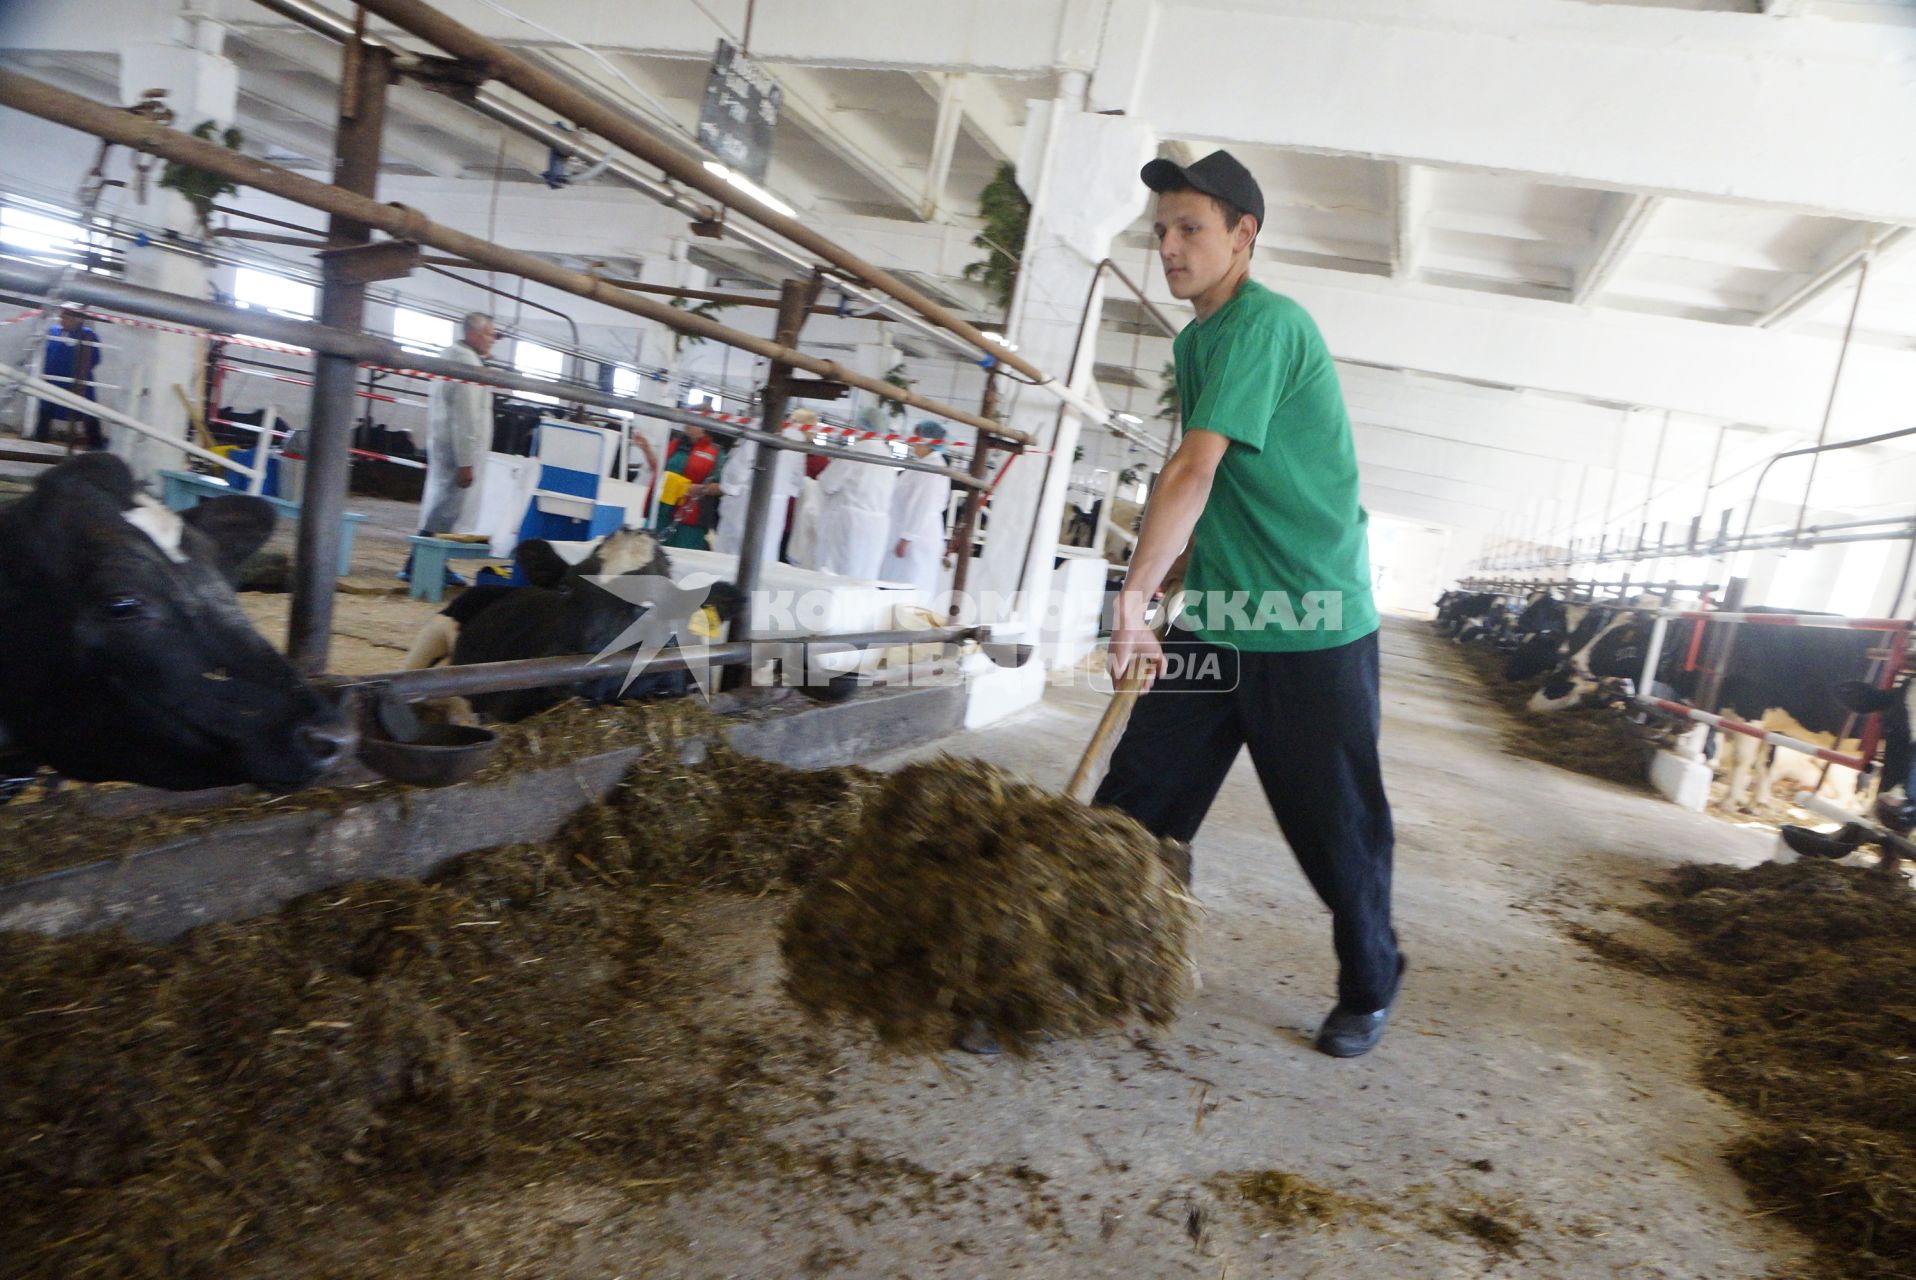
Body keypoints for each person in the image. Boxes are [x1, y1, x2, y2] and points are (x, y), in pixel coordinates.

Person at [1096, 150, 1399, 1059]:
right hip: (1220, 617)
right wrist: (1175, 578)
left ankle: (1371, 984)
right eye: (1160, 231)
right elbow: (1212, 487)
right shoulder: (1197, 341)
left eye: (1191, 228)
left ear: (1244, 235)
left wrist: (1133, 599)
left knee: (1334, 828)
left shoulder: (1266, 326)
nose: (1170, 247)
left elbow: (1193, 466)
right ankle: (1078, 967)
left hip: (1310, 625)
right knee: (1133, 810)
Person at [406, 312, 496, 585]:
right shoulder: (465, 363)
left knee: (442, 508)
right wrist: (466, 461)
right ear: (473, 333)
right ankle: (420, 564)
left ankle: (430, 563)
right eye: (489, 334)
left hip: (450, 448)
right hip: (459, 452)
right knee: (445, 511)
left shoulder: (456, 356)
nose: (492, 340)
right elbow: (465, 416)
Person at [813, 408, 898, 580]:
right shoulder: (888, 456)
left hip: (850, 524)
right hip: (877, 527)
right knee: (864, 578)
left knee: (837, 576)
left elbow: (828, 483)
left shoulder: (856, 451)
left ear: (862, 427)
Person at [713, 414, 805, 566]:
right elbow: (797, 477)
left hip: (748, 498)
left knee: (734, 553)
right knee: (766, 553)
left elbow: (741, 465)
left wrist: (729, 486)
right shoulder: (797, 435)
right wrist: (787, 491)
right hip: (777, 505)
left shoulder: (758, 427)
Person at [882, 420, 953, 597]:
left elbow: (922, 505)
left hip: (917, 538)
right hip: (910, 534)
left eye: (917, 438)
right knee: (900, 586)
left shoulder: (931, 468)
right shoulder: (923, 464)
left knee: (911, 588)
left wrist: (907, 537)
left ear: (927, 441)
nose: (912, 442)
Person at [31, 307, 104, 450]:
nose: (61, 320)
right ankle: (39, 443)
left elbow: (95, 358)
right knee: (45, 411)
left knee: (89, 412)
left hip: (79, 382)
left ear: (76, 319)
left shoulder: (87, 335)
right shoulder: (54, 331)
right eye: (61, 317)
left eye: (65, 318)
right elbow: (46, 353)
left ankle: (96, 446)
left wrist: (78, 372)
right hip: (53, 380)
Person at [658, 422, 723, 549]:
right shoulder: (674, 446)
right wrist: (646, 450)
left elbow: (724, 486)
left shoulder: (716, 453)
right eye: (686, 421)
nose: (687, 425)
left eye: (693, 422)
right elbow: (658, 470)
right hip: (663, 512)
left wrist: (700, 489)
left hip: (692, 520)